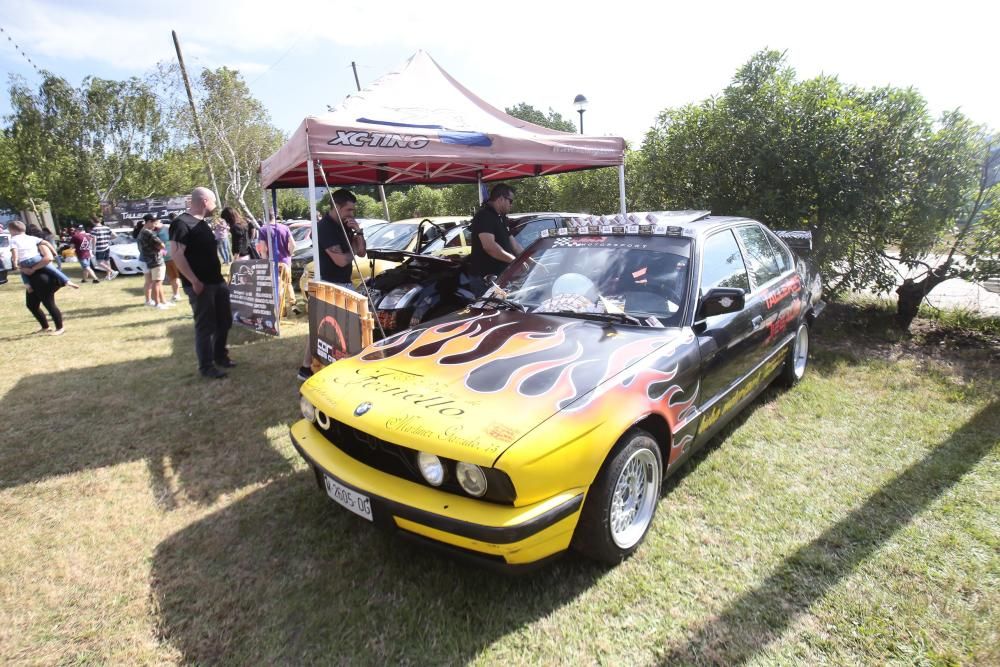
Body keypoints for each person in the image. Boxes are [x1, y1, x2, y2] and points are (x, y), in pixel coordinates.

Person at [297, 189, 366, 381]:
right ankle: (309, 367)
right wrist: (352, 248)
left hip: (343, 282)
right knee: (326, 328)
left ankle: (307, 368)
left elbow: (361, 252)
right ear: (336, 206)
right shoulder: (324, 228)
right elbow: (341, 261)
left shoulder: (347, 225)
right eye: (349, 210)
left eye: (354, 210)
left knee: (328, 328)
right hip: (329, 283)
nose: (352, 214)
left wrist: (358, 231)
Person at [170, 187, 234, 379]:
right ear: (205, 201)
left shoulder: (203, 223)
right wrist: (193, 280)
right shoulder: (181, 223)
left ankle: (220, 356)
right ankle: (206, 366)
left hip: (216, 281)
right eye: (214, 202)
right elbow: (177, 254)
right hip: (200, 284)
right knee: (205, 326)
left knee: (225, 320)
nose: (215, 207)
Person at [467, 184, 523, 294]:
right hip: (485, 280)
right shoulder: (484, 216)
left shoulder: (501, 217)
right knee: (490, 311)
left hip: (501, 279)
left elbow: (515, 245)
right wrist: (515, 262)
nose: (511, 205)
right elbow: (490, 246)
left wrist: (530, 261)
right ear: (501, 199)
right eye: (510, 201)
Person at [8, 220, 79, 290]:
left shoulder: (13, 240)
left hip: (24, 261)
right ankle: (67, 281)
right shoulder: (31, 238)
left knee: (23, 272)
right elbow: (46, 243)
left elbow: (15, 252)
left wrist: (15, 263)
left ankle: (28, 286)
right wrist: (54, 252)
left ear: (12, 231)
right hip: (35, 258)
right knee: (52, 269)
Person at [21, 242, 66, 335]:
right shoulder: (26, 246)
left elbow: (49, 258)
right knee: (31, 304)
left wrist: (33, 268)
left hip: (43, 277)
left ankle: (60, 328)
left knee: (49, 303)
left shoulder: (40, 244)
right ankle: (45, 327)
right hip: (32, 278)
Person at [259, 217, 295, 320]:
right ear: (274, 216)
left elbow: (263, 249)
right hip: (286, 261)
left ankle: (282, 312)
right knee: (288, 283)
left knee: (279, 288)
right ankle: (293, 306)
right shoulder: (285, 227)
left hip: (273, 262)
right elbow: (293, 244)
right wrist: (289, 254)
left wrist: (265, 263)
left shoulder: (263, 229)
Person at [138, 214, 173, 310]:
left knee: (153, 282)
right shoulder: (149, 233)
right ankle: (158, 303)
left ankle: (161, 301)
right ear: (149, 222)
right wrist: (161, 247)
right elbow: (161, 245)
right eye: (154, 222)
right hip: (155, 260)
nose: (155, 225)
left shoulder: (141, 232)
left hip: (148, 259)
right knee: (157, 282)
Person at [159, 212, 181, 302]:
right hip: (166, 258)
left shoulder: (167, 228)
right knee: (172, 278)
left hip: (175, 256)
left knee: (179, 276)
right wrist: (163, 253)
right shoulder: (154, 232)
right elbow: (159, 246)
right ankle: (176, 294)